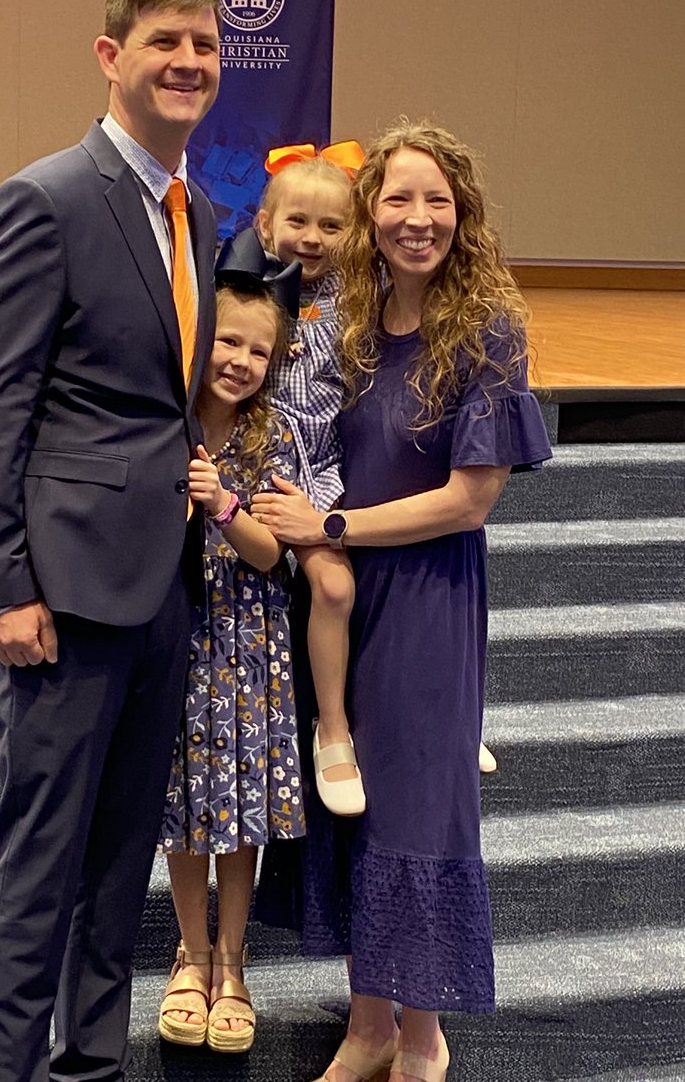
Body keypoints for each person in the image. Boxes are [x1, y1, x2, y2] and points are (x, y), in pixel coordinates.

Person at [0, 0, 221, 1082]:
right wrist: (1, 587)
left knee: (118, 868)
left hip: (164, 586)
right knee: (44, 860)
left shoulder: (197, 209)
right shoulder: (46, 198)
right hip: (61, 595)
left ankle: (90, 1069)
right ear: (112, 56)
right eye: (168, 42)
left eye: (206, 46)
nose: (190, 63)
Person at [253, 119, 552, 1082]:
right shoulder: (345, 319)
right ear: (366, 215)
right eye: (396, 199)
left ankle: (423, 1038)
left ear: (462, 213)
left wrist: (330, 532)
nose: (416, 218)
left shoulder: (488, 330)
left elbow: (472, 500)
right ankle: (368, 1024)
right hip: (345, 598)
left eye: (437, 200)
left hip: (426, 594)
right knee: (359, 812)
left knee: (421, 811)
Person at [157, 269, 303, 1054]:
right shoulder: (164, 422)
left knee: (240, 807)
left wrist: (223, 505)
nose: (241, 360)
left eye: (258, 350)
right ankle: (189, 953)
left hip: (246, 643)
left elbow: (272, 553)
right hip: (177, 633)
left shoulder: (270, 435)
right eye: (227, 340)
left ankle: (234, 962)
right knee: (184, 807)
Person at [255, 146, 367, 816]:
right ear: (266, 224)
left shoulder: (358, 301)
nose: (312, 238)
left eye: (332, 226)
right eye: (298, 220)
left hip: (330, 467)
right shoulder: (242, 290)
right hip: (271, 466)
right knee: (328, 582)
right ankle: (331, 726)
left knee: (375, 575)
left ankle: (381, 719)